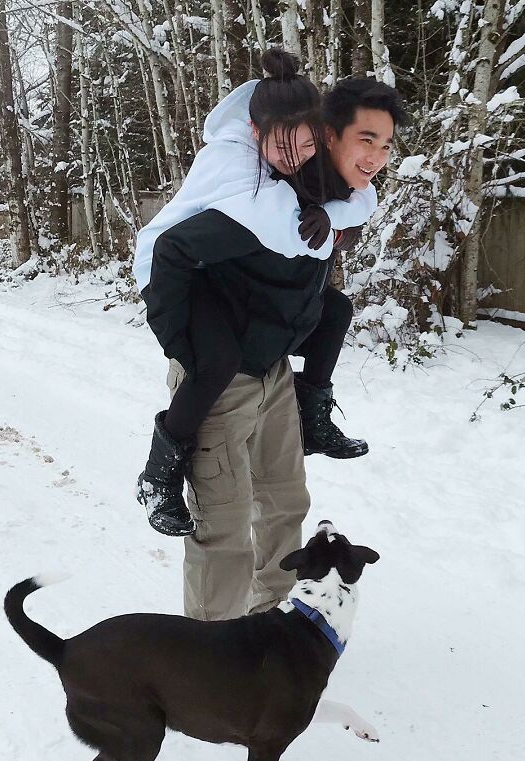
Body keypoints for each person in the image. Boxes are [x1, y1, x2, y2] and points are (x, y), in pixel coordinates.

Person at [141, 75, 405, 621]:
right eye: (366, 139)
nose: (377, 156)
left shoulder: (339, 196)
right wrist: (180, 343)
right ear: (327, 135)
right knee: (224, 525)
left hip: (275, 372)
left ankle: (266, 623)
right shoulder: (263, 197)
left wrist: (337, 223)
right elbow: (172, 249)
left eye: (385, 143)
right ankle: (211, 656)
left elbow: (351, 219)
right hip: (221, 374)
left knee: (286, 505)